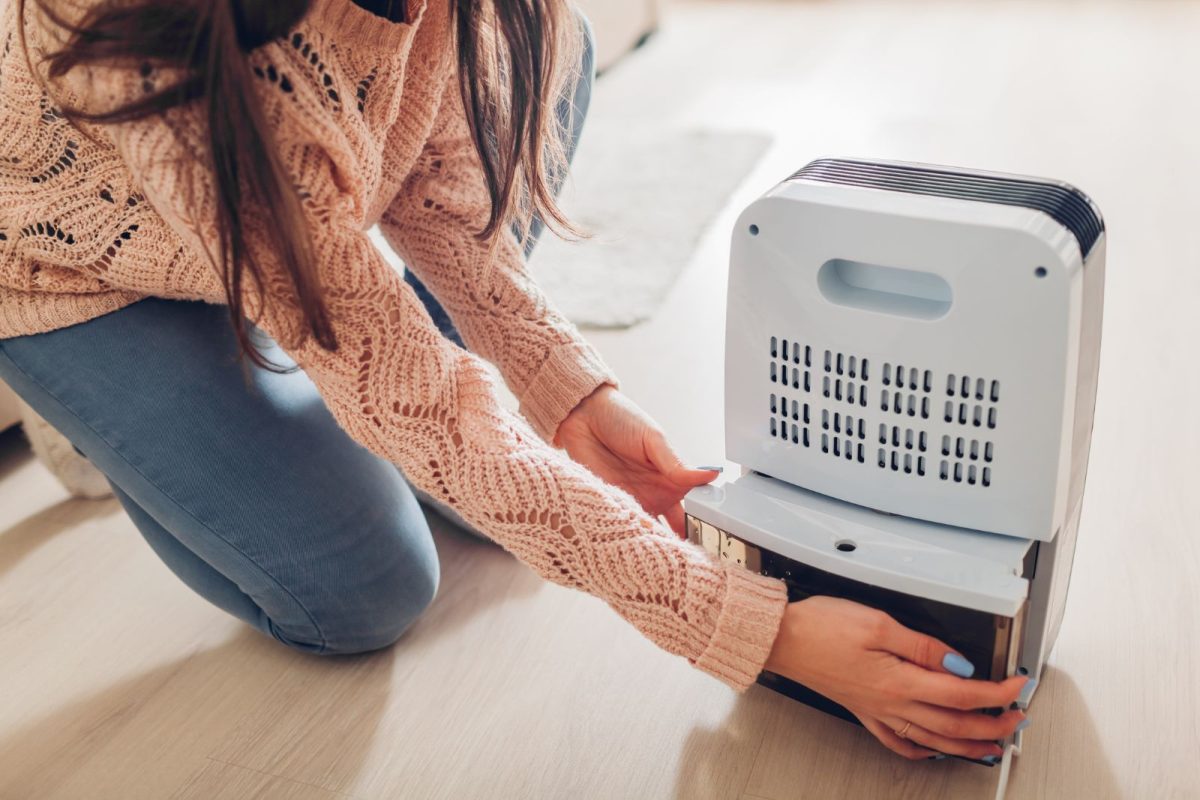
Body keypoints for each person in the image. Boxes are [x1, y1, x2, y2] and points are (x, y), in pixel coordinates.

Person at [0, 0, 1030, 762]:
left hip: (284, 224)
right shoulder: (136, 34)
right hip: (70, 267)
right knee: (365, 592)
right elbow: (410, 388)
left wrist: (567, 393)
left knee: (550, 46)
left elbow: (441, 199)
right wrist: (750, 628)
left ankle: (310, 343)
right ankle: (142, 394)